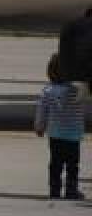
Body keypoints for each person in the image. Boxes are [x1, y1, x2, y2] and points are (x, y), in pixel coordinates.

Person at [35, 52, 86, 200]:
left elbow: (42, 112)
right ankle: (71, 190)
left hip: (56, 134)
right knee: (73, 165)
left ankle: (54, 189)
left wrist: (39, 127)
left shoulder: (47, 91)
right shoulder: (76, 90)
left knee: (55, 164)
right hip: (73, 135)